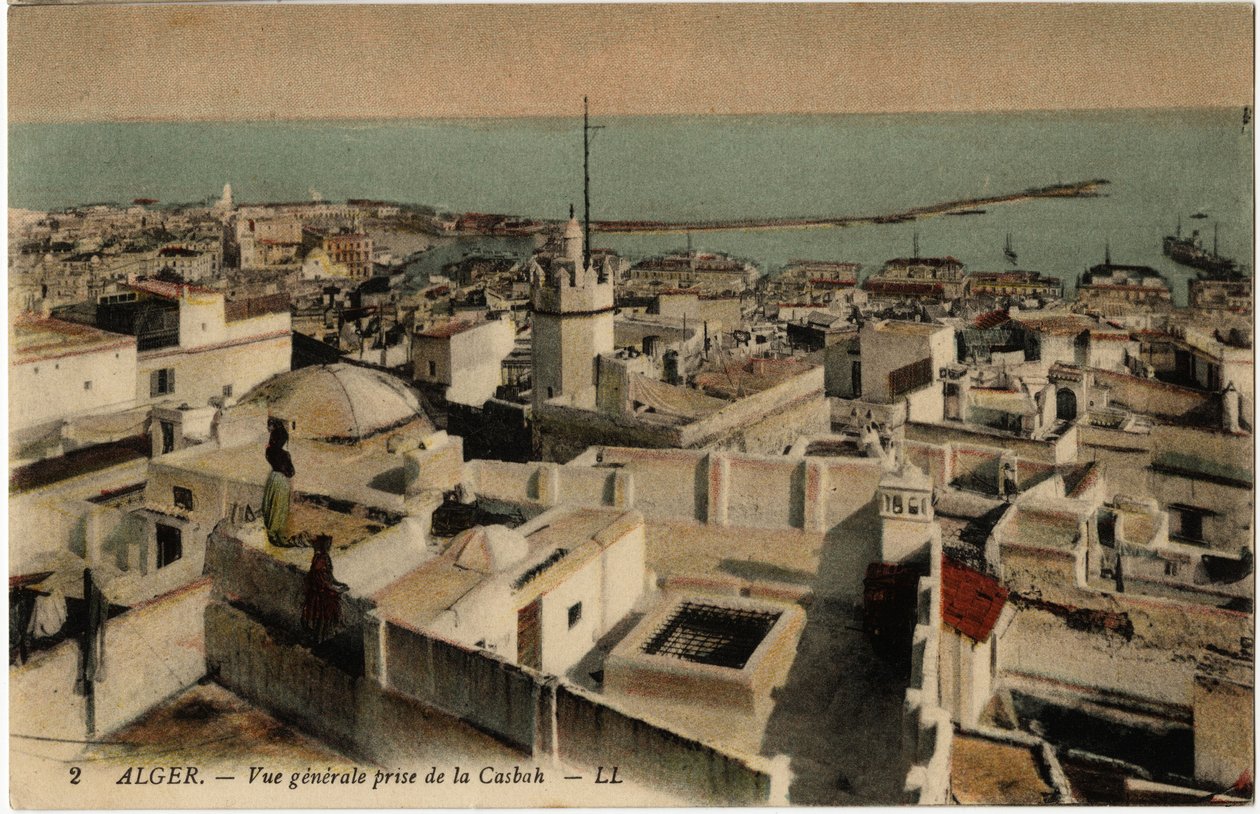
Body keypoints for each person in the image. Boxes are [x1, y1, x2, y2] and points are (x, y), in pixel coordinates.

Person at [301, 535, 347, 643]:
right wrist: (336, 589)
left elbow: (330, 576)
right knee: (321, 619)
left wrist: (339, 584)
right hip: (320, 596)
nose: (329, 546)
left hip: (324, 592)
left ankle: (323, 639)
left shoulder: (326, 557)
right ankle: (319, 640)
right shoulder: (320, 559)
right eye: (327, 544)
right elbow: (322, 582)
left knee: (326, 620)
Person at [261, 419, 295, 546]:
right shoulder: (284, 454)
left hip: (273, 478)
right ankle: (276, 534)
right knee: (279, 506)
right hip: (281, 481)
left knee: (272, 505)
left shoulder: (269, 451)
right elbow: (291, 472)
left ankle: (272, 533)